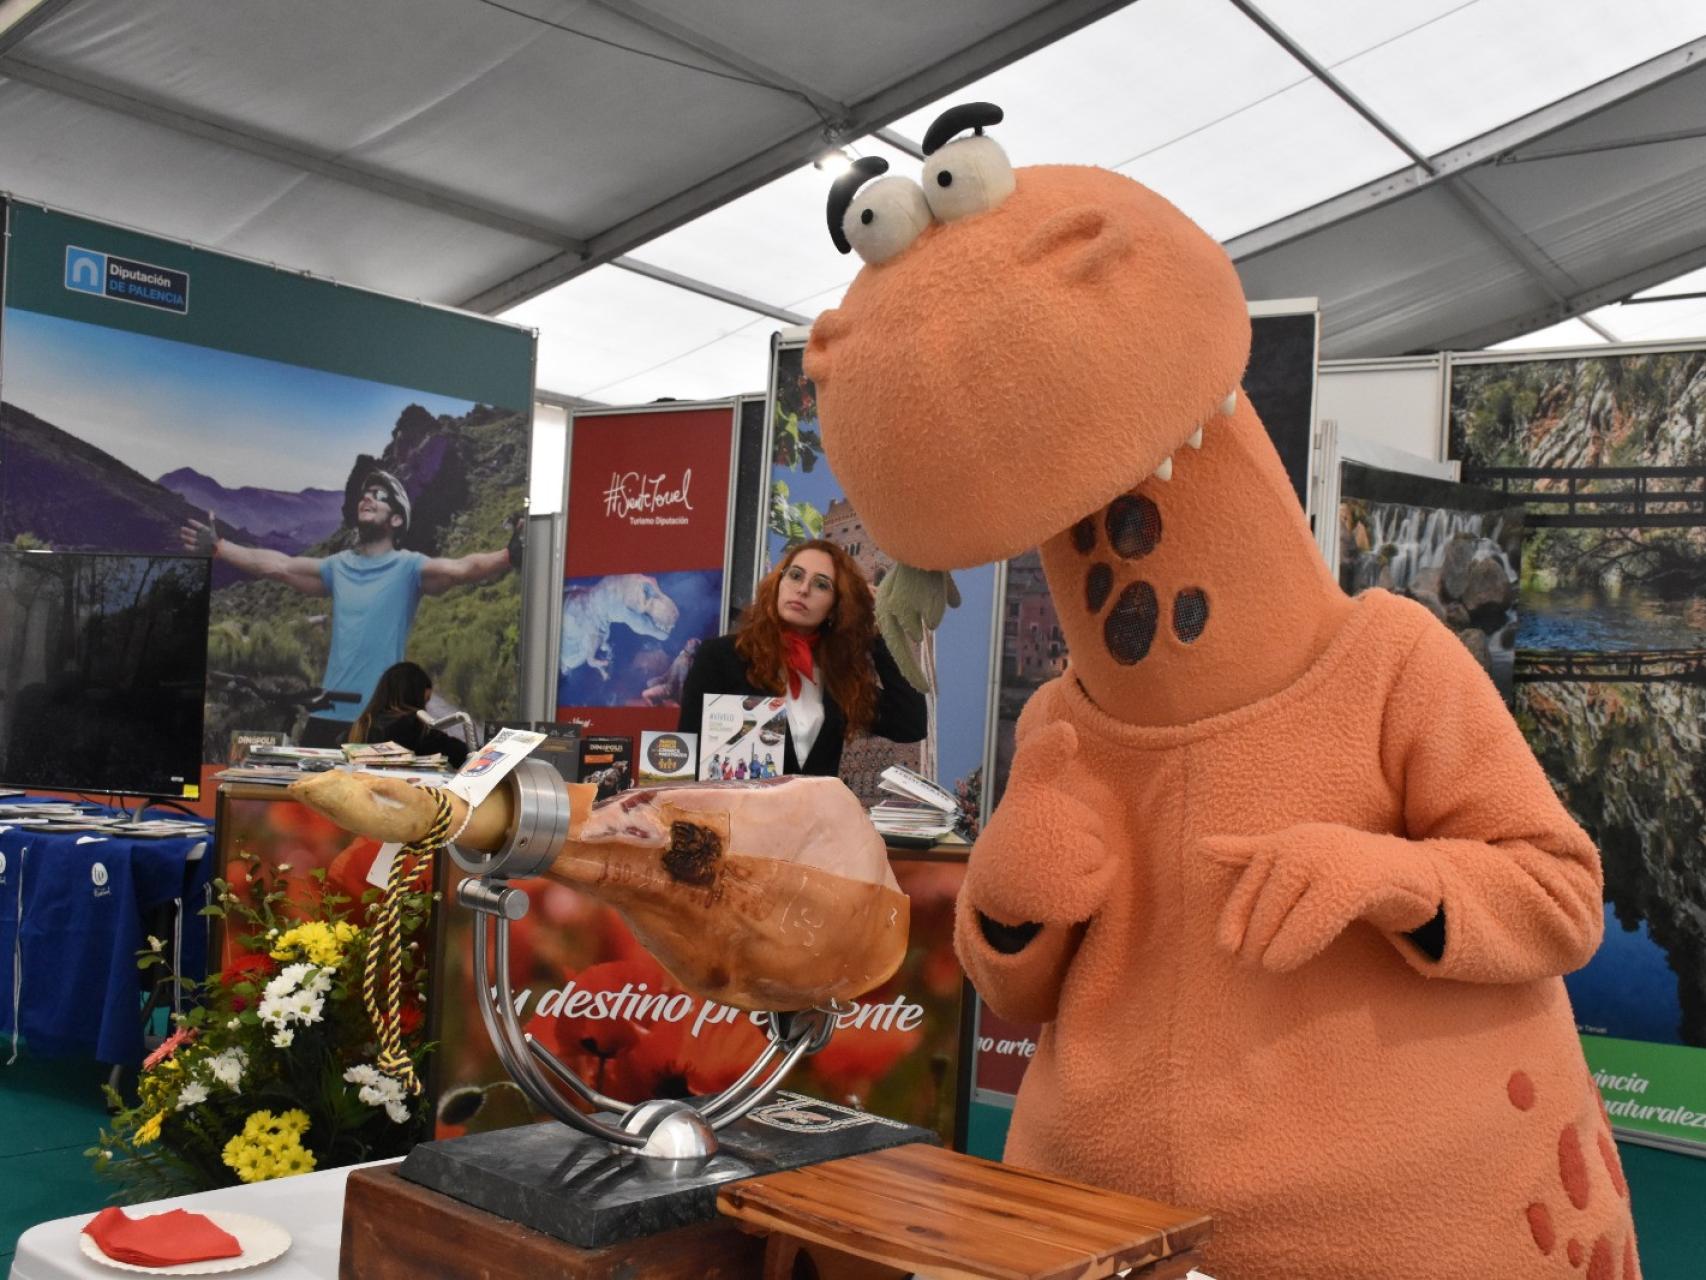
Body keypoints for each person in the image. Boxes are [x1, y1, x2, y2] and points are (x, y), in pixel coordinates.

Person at [180, 468, 517, 746]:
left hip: (380, 719)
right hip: (327, 714)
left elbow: (462, 569)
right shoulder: (338, 566)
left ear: (396, 519)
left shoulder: (410, 567)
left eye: (380, 495)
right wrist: (220, 547)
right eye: (365, 494)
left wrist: (508, 554)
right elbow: (278, 566)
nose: (367, 498)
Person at [677, 539, 927, 777]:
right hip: (732, 807)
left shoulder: (839, 676)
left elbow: (910, 724)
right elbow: (686, 754)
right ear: (778, 583)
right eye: (795, 575)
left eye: (821, 585)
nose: (803, 589)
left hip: (815, 810)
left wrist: (880, 631)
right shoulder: (721, 656)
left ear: (836, 606)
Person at [345, 661, 469, 768]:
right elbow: (460, 754)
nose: (425, 708)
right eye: (424, 702)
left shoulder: (362, 725)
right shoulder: (411, 726)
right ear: (414, 698)